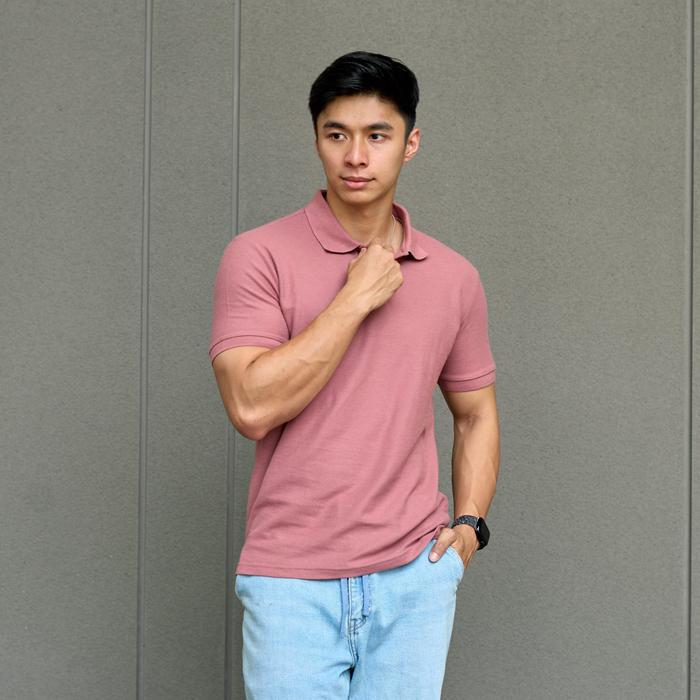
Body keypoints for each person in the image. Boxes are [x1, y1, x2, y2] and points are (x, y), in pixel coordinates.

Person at [209, 50, 500, 699]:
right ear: (317, 139)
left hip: (414, 577)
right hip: (291, 580)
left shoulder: (454, 277)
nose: (356, 157)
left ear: (410, 143)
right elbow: (251, 407)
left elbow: (476, 412)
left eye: (378, 135)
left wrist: (469, 527)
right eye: (337, 135)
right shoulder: (258, 256)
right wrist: (356, 297)